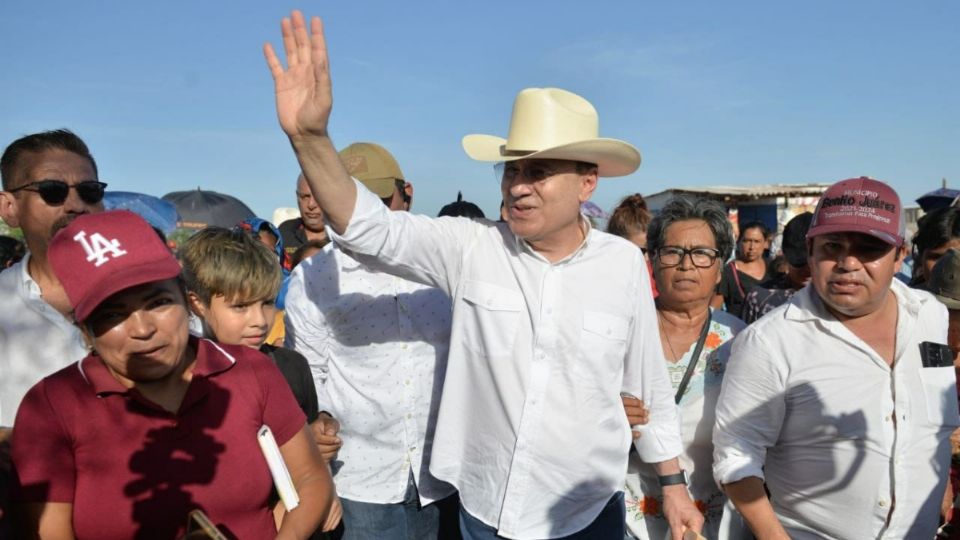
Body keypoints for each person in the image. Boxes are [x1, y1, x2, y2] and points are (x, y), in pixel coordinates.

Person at [263, 11, 702, 539]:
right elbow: (368, 228)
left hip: (585, 512)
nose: (518, 186)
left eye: (538, 171)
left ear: (587, 183)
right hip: (484, 512)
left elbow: (646, 384)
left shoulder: (622, 264)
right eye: (512, 169)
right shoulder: (472, 247)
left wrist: (673, 484)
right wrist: (311, 138)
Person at [9, 210, 334, 538]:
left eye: (159, 302)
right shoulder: (52, 407)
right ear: (85, 329)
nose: (143, 329)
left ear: (186, 299)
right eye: (112, 314)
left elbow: (311, 478)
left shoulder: (251, 371)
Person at [713, 176, 959, 538]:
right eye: (832, 247)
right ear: (810, 252)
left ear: (900, 257)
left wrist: (938, 478)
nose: (848, 262)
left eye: (869, 248)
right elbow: (736, 454)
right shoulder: (770, 342)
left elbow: (927, 421)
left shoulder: (929, 316)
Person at [285, 141, 457, 540]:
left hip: (448, 473)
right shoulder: (314, 278)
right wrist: (320, 424)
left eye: (378, 201)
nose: (362, 217)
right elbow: (310, 375)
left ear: (407, 193)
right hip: (362, 481)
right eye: (346, 200)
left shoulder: (448, 265)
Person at [624, 198, 745, 539]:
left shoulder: (741, 340)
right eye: (672, 252)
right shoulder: (620, 330)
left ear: (719, 267)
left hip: (712, 519)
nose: (686, 265)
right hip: (625, 515)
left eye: (701, 254)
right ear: (652, 262)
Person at [0, 129, 104, 442]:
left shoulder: (153, 298)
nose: (75, 205)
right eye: (52, 190)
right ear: (9, 208)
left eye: (89, 190)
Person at [741, 212, 813, 324]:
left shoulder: (837, 299)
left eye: (813, 261)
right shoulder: (760, 297)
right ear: (785, 254)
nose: (807, 269)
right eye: (799, 261)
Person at [712, 221, 772, 319]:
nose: (751, 247)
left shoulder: (773, 268)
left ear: (766, 244)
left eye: (757, 241)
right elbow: (714, 309)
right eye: (747, 241)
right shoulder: (728, 272)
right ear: (738, 242)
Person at [280, 173, 330, 256]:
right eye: (305, 197)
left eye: (318, 196)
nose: (311, 205)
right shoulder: (285, 232)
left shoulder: (345, 236)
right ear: (297, 197)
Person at [911, 206, 960, 287]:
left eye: (958, 257)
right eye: (937, 258)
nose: (947, 268)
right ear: (921, 258)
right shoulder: (906, 298)